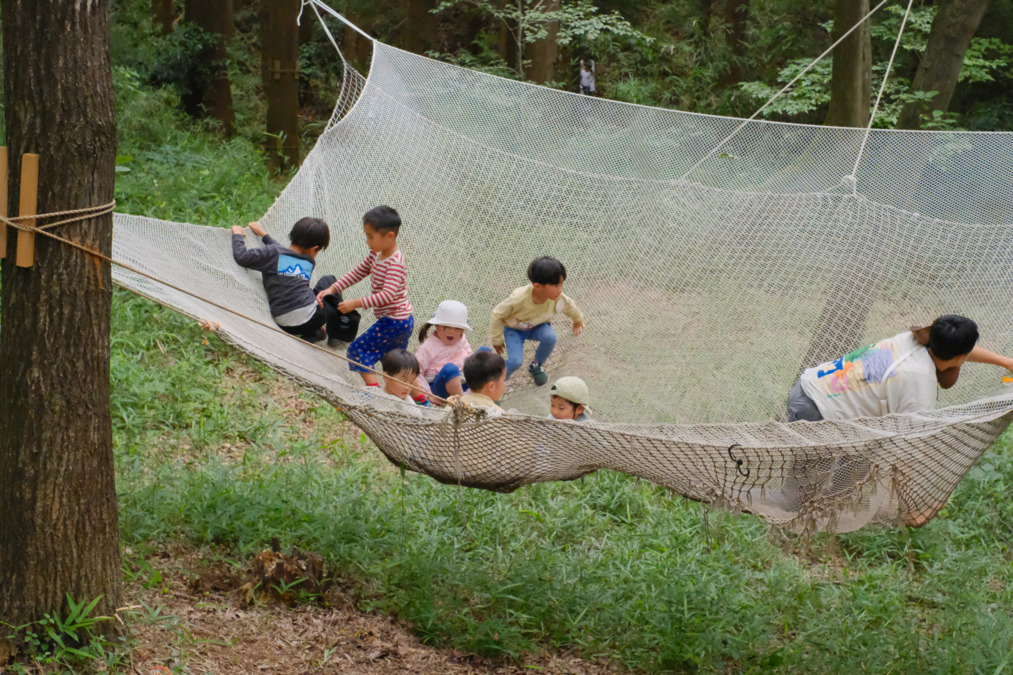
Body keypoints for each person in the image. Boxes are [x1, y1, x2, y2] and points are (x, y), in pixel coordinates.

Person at [786, 315, 1013, 422]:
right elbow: (910, 445)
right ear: (960, 357)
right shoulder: (919, 385)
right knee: (818, 487)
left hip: (807, 385)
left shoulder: (913, 339)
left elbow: (960, 350)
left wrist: (1007, 362)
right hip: (817, 414)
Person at [317, 205, 414, 387]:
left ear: (389, 236)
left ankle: (373, 392)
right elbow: (359, 271)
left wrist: (356, 303)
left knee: (357, 351)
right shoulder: (377, 253)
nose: (367, 241)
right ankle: (416, 398)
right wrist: (333, 288)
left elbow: (387, 296)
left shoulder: (395, 263)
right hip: (400, 321)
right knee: (395, 364)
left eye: (371, 237)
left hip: (395, 322)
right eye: (366, 236)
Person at [231, 218, 358, 342]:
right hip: (313, 319)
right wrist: (258, 234)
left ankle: (314, 333)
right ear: (314, 249)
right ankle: (338, 328)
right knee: (329, 281)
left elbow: (244, 257)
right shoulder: (309, 262)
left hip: (284, 324)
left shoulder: (274, 254)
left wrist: (241, 234)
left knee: (314, 298)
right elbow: (281, 254)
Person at [490, 256, 585, 386]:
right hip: (514, 329)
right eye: (556, 285)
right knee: (516, 361)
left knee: (551, 337)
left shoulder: (557, 298)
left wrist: (578, 320)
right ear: (538, 286)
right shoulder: (519, 298)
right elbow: (497, 313)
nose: (560, 289)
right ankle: (494, 384)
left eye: (562, 283)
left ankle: (536, 365)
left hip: (537, 326)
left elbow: (570, 307)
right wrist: (497, 339)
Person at [416, 300, 474, 402]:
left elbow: (470, 355)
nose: (452, 332)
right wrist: (429, 395)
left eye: (457, 328)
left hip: (463, 381)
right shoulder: (428, 347)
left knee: (484, 354)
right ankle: (465, 403)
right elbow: (416, 372)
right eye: (446, 327)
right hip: (440, 388)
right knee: (450, 369)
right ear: (437, 326)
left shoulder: (461, 338)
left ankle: (479, 395)